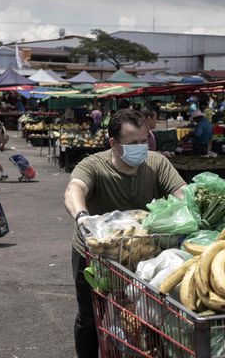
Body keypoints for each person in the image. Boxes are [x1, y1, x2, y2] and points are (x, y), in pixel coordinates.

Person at [63, 109, 187, 357]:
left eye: (144, 140)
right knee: (91, 316)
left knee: (141, 318)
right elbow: (74, 189)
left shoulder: (156, 163)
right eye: (132, 143)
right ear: (114, 143)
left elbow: (181, 191)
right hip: (96, 254)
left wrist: (190, 210)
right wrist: (82, 217)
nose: (141, 147)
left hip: (141, 254)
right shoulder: (94, 165)